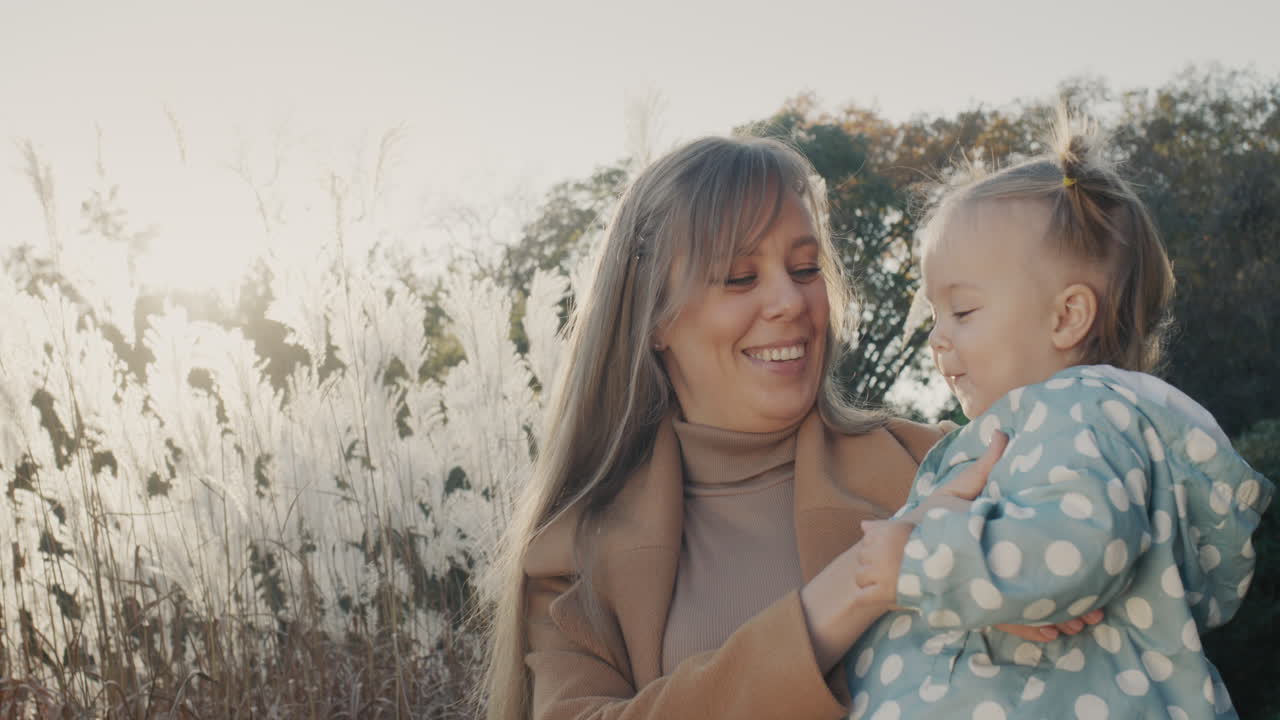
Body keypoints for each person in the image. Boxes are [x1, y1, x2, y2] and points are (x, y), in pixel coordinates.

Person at [480, 135, 1093, 720]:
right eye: (740, 277)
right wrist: (859, 585)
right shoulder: (571, 556)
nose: (791, 302)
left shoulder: (945, 462)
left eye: (805, 269)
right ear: (655, 317)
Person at [844, 112, 1275, 719]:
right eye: (935, 313)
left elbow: (1082, 541)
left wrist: (915, 562)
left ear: (1068, 317)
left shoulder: (1078, 411)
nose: (938, 338)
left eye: (962, 311)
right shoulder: (1041, 424)